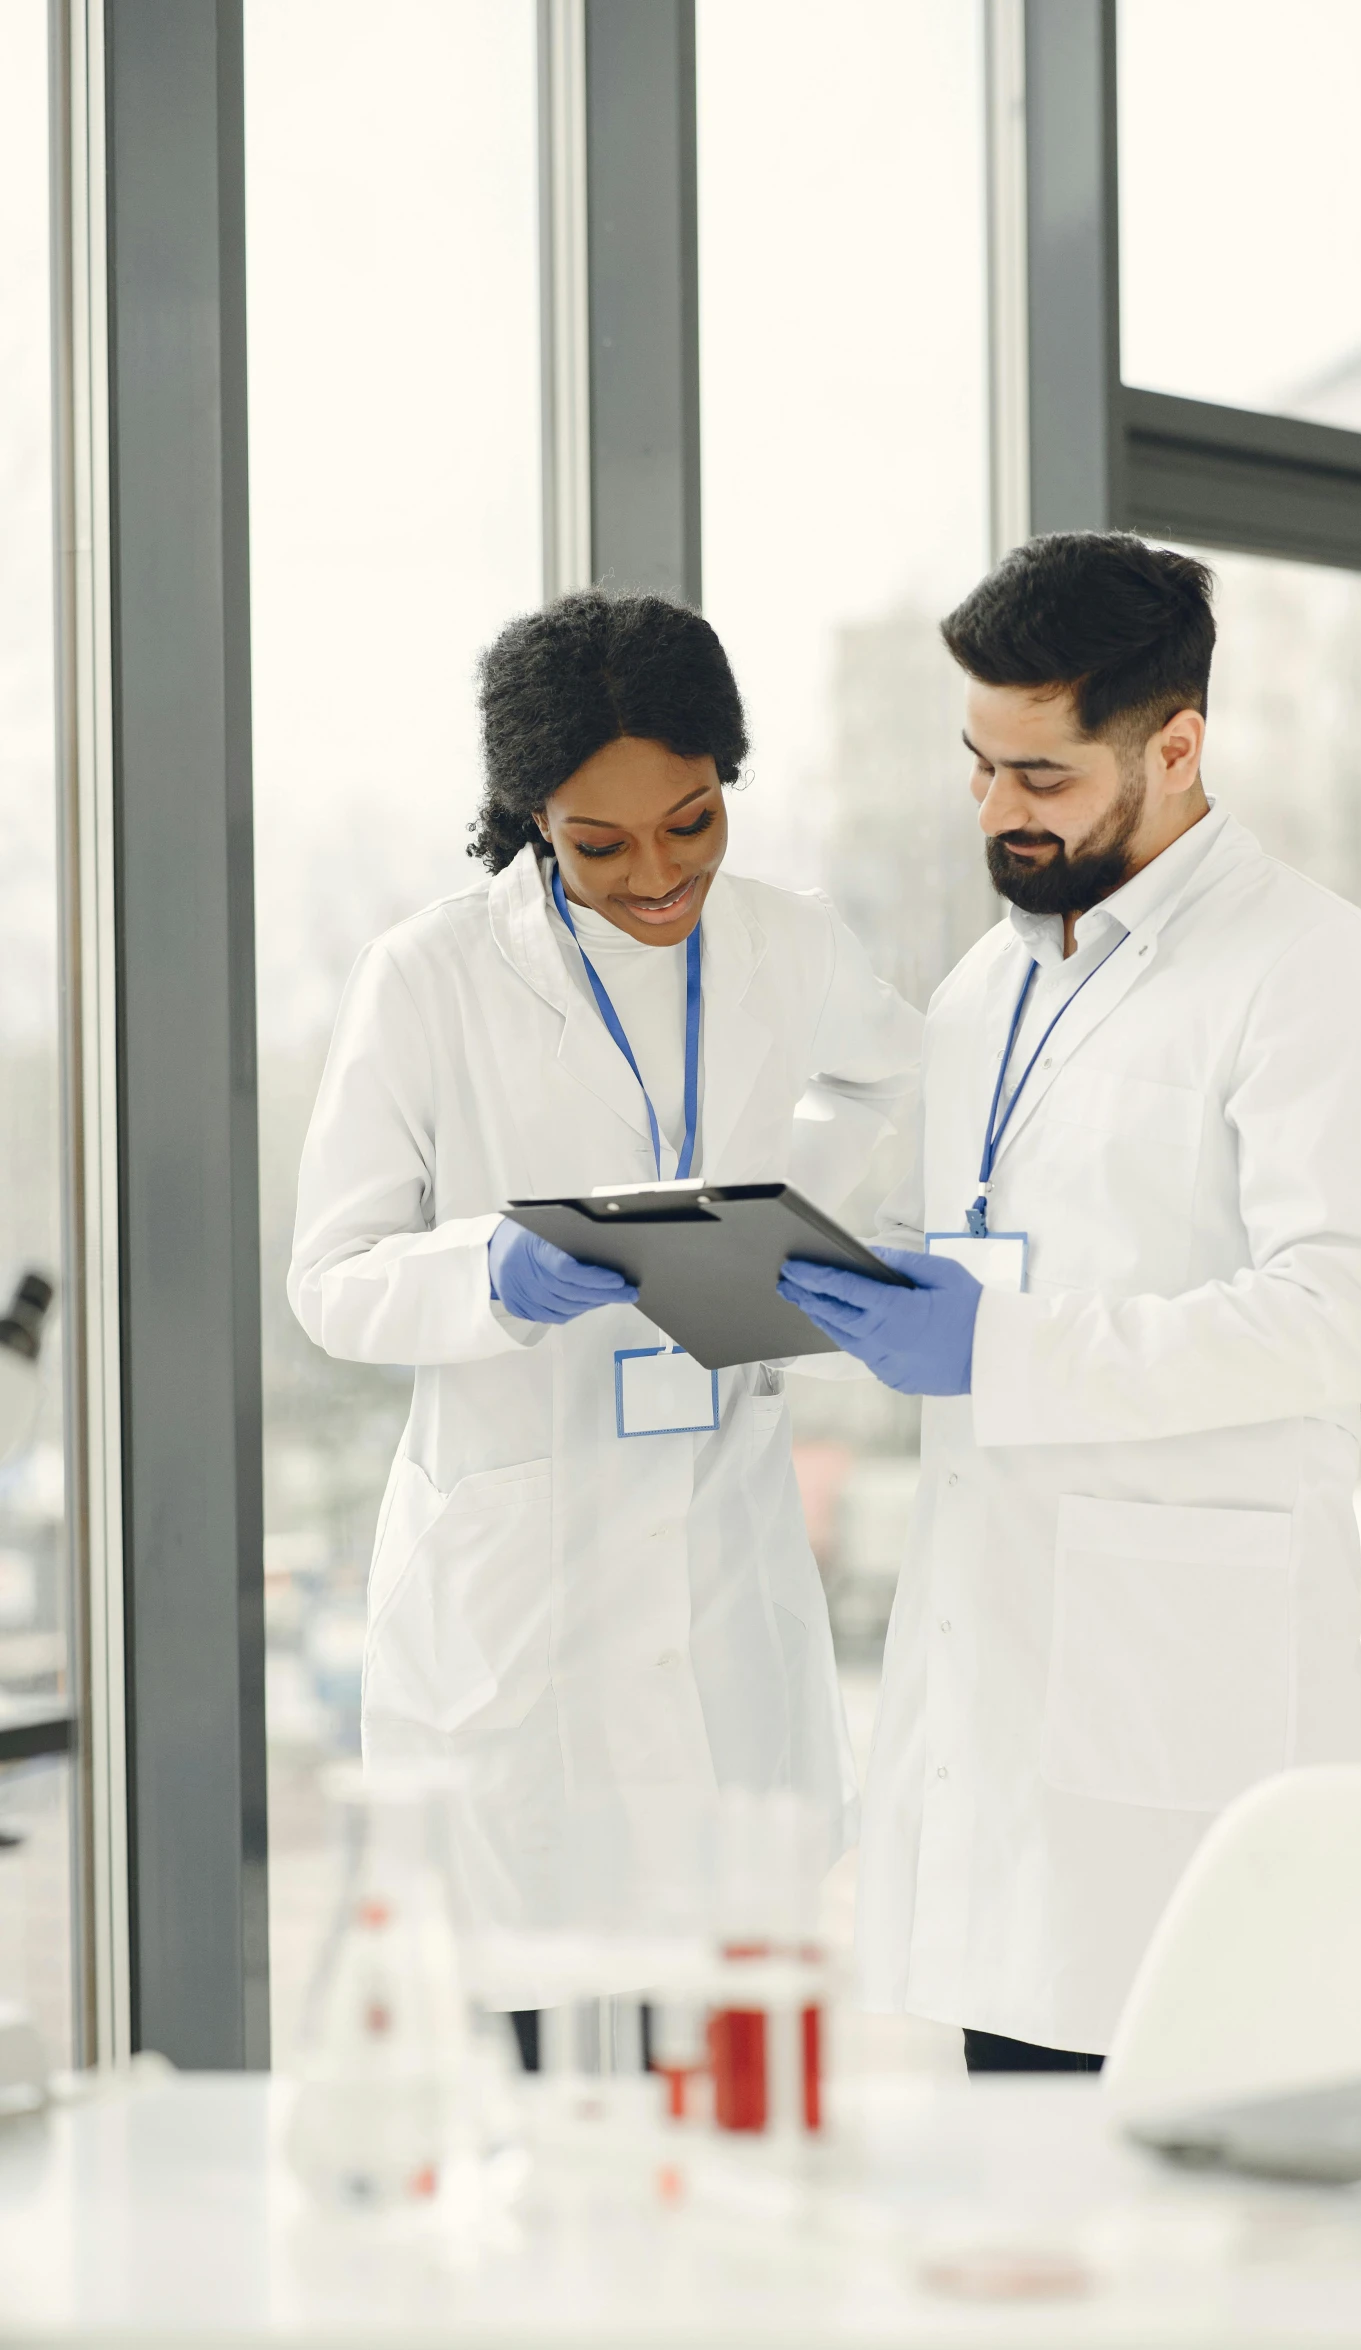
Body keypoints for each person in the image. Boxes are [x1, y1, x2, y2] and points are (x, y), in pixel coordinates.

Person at [779, 532, 1361, 2073]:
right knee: (1014, 2207)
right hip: (991, 1695)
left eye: (1043, 776)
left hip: (1173, 1699)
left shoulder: (1316, 977)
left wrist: (995, 1345)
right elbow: (968, 1235)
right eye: (978, 766)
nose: (998, 812)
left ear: (1176, 744)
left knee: (1188, 2227)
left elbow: (1339, 1319)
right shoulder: (984, 982)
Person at [289, 588, 921, 2012]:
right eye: (599, 842)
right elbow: (330, 1281)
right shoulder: (430, 978)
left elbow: (886, 1072)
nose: (655, 875)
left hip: (717, 1549)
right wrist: (488, 1278)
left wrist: (774, 1219)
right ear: (529, 817)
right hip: (520, 1588)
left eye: (691, 821)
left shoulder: (786, 941)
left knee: (725, 2021)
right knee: (532, 2037)